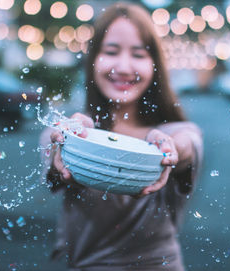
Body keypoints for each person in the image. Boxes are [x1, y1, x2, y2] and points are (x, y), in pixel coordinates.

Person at [39, 2, 203, 270]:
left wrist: (170, 149)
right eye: (111, 51)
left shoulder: (172, 132)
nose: (124, 66)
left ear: (155, 66)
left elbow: (187, 146)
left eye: (138, 54)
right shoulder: (70, 131)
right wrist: (68, 142)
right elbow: (52, 146)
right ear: (93, 60)